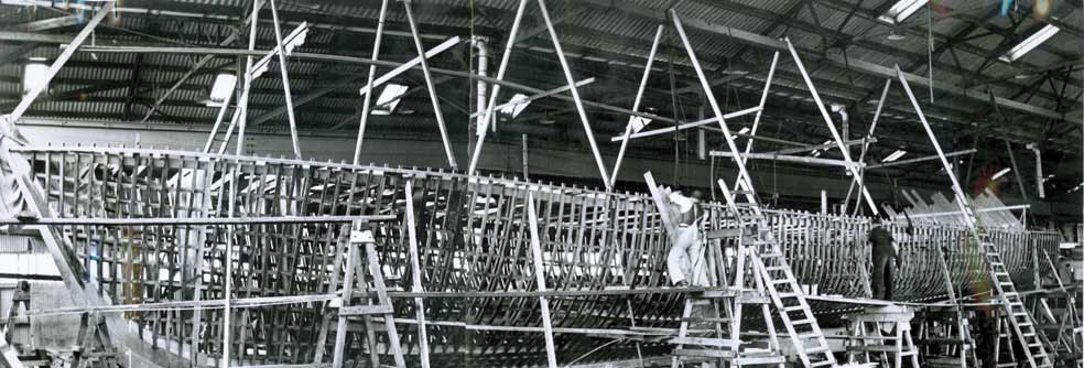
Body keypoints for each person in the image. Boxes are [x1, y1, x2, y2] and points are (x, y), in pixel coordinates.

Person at [666, 187, 708, 287]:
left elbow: (671, 196)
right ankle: (702, 283)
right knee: (696, 261)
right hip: (697, 235)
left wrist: (677, 192)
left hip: (686, 232)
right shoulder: (703, 211)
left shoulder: (687, 201)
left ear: (691, 196)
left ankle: (679, 280)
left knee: (673, 257)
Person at [868, 216, 898, 300]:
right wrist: (897, 256)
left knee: (878, 275)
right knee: (889, 275)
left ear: (873, 224)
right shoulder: (886, 231)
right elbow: (894, 244)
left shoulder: (873, 231)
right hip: (890, 253)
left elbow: (870, 245)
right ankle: (889, 297)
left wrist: (870, 258)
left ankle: (878, 297)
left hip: (880, 254)